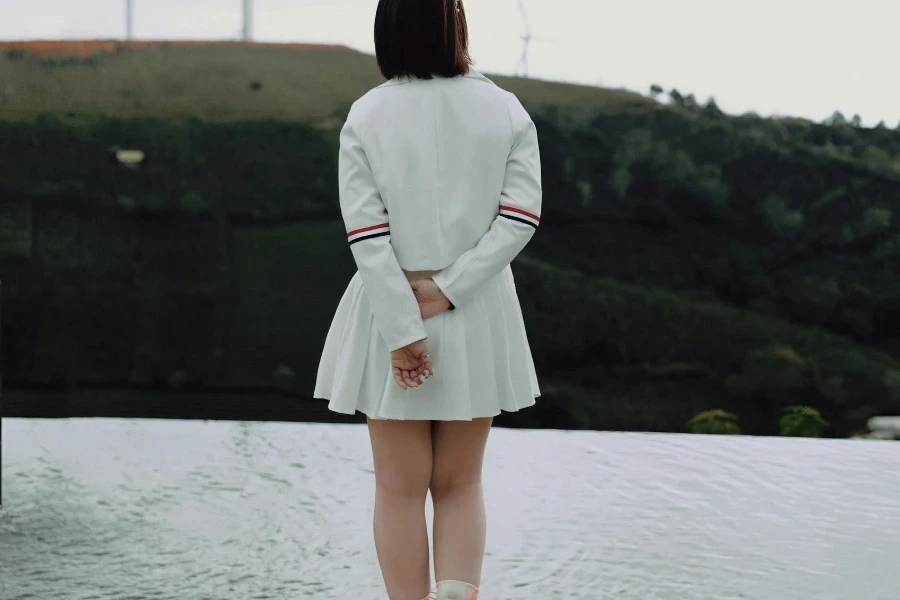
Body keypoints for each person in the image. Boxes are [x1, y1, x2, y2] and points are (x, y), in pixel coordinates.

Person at [313, 0, 542, 597]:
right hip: (476, 307)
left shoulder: (367, 113)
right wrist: (447, 290)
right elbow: (519, 219)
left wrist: (403, 326)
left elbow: (367, 235)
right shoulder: (506, 110)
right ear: (455, 25)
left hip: (390, 305)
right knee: (462, 483)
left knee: (398, 487)